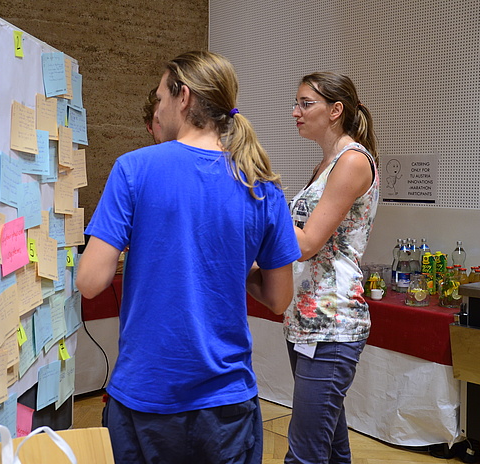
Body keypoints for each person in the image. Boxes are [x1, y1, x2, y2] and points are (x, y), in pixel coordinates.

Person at [76, 50, 301, 464]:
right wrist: (234, 266)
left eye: (161, 98)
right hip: (227, 404)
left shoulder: (134, 169)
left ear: (183, 97)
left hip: (146, 398)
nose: (157, 109)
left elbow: (90, 282)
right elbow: (279, 298)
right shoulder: (262, 184)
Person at [284, 72, 379, 464]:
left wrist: (259, 208)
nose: (296, 112)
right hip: (307, 321)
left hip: (332, 324)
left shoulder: (352, 161)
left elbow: (305, 244)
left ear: (336, 110)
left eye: (306, 103)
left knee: (304, 456)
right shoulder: (326, 164)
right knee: (332, 450)